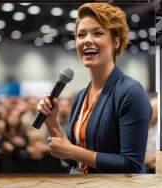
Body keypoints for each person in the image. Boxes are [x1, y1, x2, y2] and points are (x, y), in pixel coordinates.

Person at [37, 3, 152, 174]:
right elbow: (71, 153)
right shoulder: (81, 96)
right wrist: (51, 121)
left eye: (98, 33)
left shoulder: (131, 92)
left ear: (116, 41)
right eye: (81, 35)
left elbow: (132, 165)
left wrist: (72, 151)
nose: (87, 40)